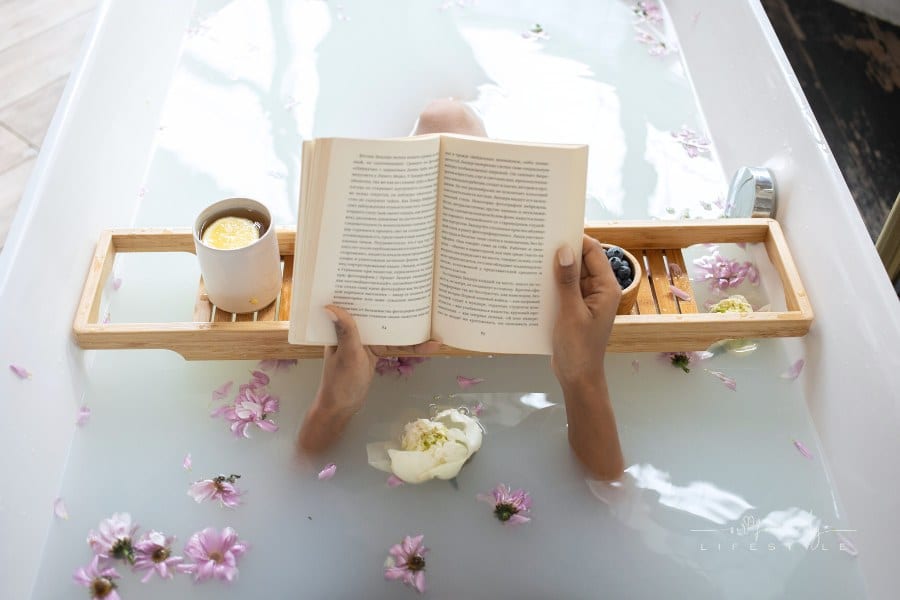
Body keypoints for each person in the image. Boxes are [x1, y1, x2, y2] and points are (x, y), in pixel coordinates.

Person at [296, 100, 625, 481]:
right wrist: (335, 404)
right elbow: (299, 480)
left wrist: (582, 375)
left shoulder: (554, 315)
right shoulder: (357, 329)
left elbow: (608, 491)